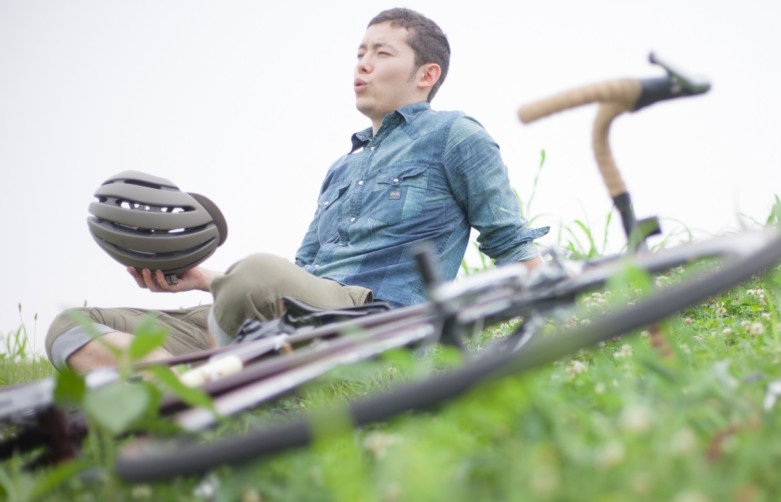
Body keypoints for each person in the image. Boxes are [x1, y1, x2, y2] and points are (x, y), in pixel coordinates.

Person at [45, 7, 547, 373]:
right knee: (73, 325)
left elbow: (511, 244)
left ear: (426, 75)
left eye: (381, 53)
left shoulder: (456, 136)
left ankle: (208, 374)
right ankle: (186, 386)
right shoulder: (340, 168)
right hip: (291, 314)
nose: (362, 65)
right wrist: (201, 279)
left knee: (257, 272)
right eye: (359, 53)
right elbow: (301, 274)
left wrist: (554, 320)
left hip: (375, 319)